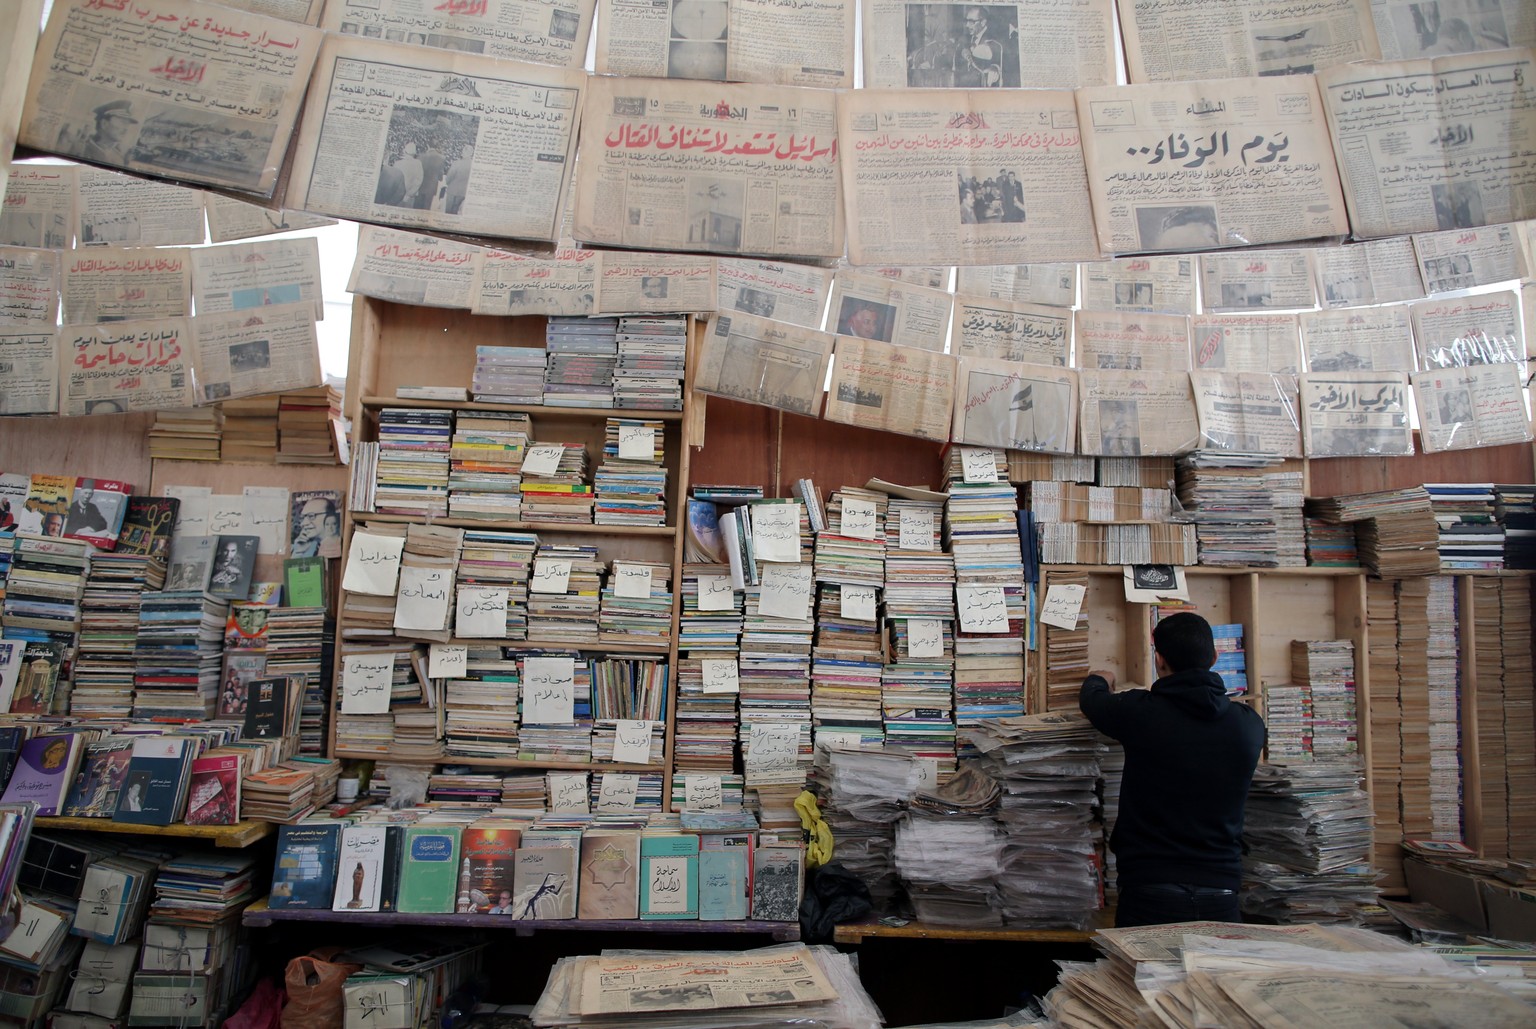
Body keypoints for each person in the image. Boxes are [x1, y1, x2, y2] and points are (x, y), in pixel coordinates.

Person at [1079, 612, 1266, 927]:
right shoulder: (1248, 725)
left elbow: (1093, 701)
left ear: (1159, 660)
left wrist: (1100, 679)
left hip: (1149, 889)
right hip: (1221, 891)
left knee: (1143, 975)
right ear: (1215, 658)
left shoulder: (1141, 713)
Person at [958, 8, 1004, 87]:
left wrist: (995, 68)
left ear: (983, 22)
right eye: (966, 21)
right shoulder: (965, 38)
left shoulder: (994, 40)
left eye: (972, 22)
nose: (967, 25)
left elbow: (1001, 61)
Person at [80, 101, 137, 165]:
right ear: (104, 124)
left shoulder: (118, 156)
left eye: (127, 124)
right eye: (122, 122)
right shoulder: (81, 150)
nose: (126, 128)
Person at [416, 140, 446, 210]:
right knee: (426, 208)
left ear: (428, 146)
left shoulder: (421, 156)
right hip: (431, 187)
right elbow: (440, 177)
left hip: (420, 186)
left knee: (417, 208)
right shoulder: (441, 158)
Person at [444, 145, 473, 215]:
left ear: (465, 152)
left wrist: (447, 183)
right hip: (462, 193)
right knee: (455, 211)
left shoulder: (457, 163)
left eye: (463, 151)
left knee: (448, 211)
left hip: (452, 191)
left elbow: (449, 177)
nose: (462, 153)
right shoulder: (473, 165)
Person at [396, 142, 425, 207]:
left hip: (397, 196)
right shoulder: (418, 164)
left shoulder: (397, 164)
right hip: (410, 197)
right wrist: (409, 195)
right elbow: (418, 181)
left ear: (405, 151)